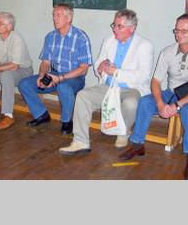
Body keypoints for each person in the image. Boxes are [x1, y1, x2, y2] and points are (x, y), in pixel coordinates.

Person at [119, 13, 188, 180]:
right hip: (172, 92)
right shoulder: (168, 52)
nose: (179, 34)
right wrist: (161, 103)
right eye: (177, 30)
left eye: (184, 30)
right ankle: (137, 144)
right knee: (146, 102)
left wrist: (177, 106)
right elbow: (155, 81)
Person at [59, 9, 154, 154]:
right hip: (109, 86)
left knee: (131, 103)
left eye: (119, 26)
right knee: (83, 96)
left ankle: (124, 131)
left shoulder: (144, 45)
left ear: (132, 28)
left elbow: (143, 76)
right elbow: (98, 63)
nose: (114, 29)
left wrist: (116, 72)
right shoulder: (109, 40)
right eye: (114, 25)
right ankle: (80, 141)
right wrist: (101, 67)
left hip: (131, 88)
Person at [18, 3, 93, 134]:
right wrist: (42, 75)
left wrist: (61, 78)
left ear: (69, 18)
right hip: (54, 74)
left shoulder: (81, 37)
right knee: (24, 84)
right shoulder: (50, 37)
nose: (54, 19)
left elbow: (83, 69)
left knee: (63, 87)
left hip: (74, 78)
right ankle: (41, 115)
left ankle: (67, 121)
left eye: (58, 15)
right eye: (54, 16)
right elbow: (46, 62)